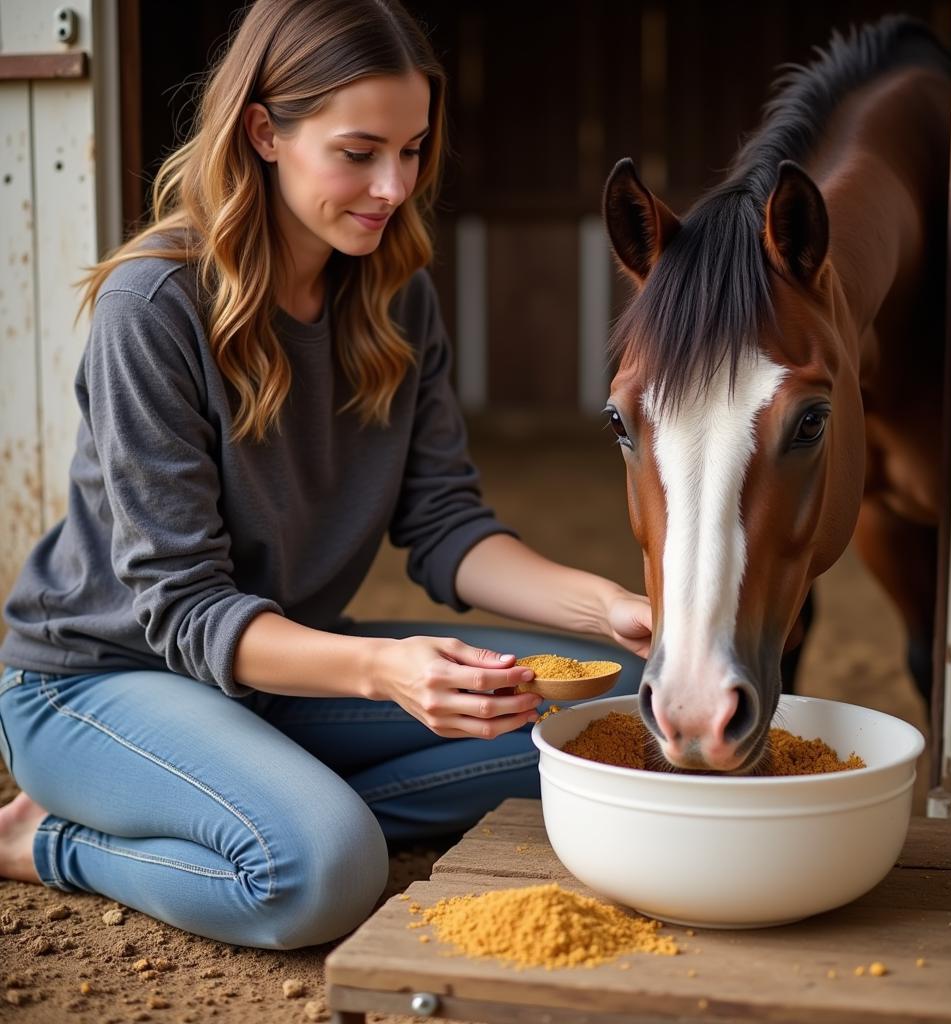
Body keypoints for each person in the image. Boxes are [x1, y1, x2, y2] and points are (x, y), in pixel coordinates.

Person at [0, 0, 650, 949]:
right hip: (99, 684)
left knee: (619, 712)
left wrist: (607, 608)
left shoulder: (395, 292)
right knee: (322, 873)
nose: (394, 186)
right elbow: (182, 610)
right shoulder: (153, 305)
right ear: (265, 131)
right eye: (358, 152)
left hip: (276, 674)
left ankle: (266, 799)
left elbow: (444, 528)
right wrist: (383, 670)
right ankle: (53, 840)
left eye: (415, 149)